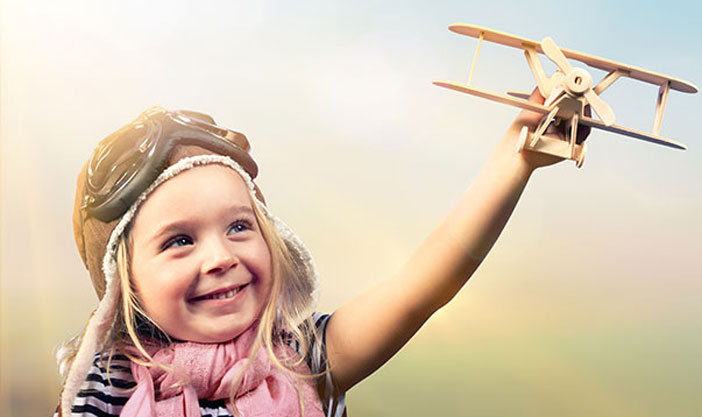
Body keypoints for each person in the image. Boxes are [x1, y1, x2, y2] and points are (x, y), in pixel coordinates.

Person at [55, 89, 590, 417]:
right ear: (122, 282)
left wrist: (515, 160)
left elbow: (421, 286)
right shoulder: (105, 387)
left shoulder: (304, 360)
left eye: (239, 226)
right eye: (179, 241)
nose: (220, 256)